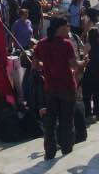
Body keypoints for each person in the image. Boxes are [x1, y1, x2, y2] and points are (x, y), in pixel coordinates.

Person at [33, 17, 87, 160]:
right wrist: (85, 61)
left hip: (50, 88)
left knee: (50, 121)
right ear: (60, 28)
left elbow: (35, 65)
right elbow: (75, 66)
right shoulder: (66, 44)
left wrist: (45, 68)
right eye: (67, 26)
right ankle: (66, 148)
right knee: (66, 120)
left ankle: (49, 152)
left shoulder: (42, 43)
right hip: (66, 87)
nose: (69, 29)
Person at [82, 28, 99, 121]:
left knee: (87, 95)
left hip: (89, 73)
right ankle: (98, 114)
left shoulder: (88, 45)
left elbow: (85, 58)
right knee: (97, 95)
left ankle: (88, 114)